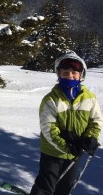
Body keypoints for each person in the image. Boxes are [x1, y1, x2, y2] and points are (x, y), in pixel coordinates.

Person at [30, 52, 103, 195]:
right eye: (65, 73)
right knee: (47, 184)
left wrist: (90, 138)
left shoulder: (89, 98)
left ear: (82, 75)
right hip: (52, 151)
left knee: (66, 185)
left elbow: (96, 121)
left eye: (74, 73)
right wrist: (65, 145)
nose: (70, 76)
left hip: (75, 152)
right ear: (59, 74)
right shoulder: (51, 99)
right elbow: (48, 127)